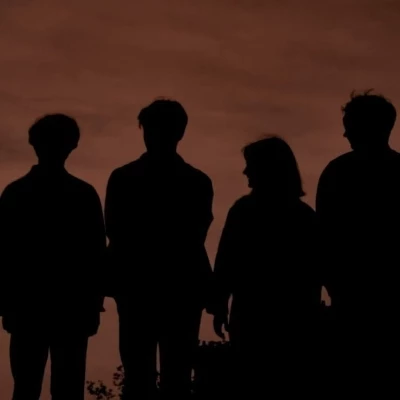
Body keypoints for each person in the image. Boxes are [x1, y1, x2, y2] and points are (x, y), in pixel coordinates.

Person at [105, 98, 214, 399]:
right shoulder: (197, 181)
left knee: (147, 376)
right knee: (170, 377)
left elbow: (115, 230)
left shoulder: (124, 177)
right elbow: (195, 234)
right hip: (175, 287)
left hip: (142, 287)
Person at [0, 114, 106, 400]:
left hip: (31, 305)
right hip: (66, 306)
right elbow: (96, 253)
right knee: (64, 387)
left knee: (27, 386)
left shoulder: (16, 193)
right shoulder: (83, 194)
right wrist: (94, 303)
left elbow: (4, 253)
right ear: (73, 146)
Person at [210, 136, 321, 398]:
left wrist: (219, 303)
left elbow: (226, 261)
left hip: (256, 317)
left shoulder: (243, 211)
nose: (245, 171)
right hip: (289, 320)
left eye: (251, 165)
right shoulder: (304, 217)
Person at [316, 90, 400, 397]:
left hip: (351, 299)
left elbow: (323, 238)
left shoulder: (337, 172)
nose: (345, 134)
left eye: (350, 126)